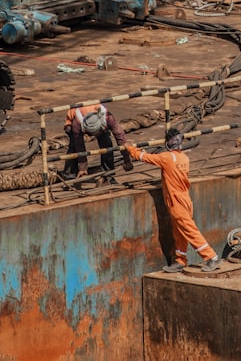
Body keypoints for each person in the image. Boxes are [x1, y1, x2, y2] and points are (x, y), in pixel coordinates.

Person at [125, 128, 221, 273]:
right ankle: (180, 260)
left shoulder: (166, 158)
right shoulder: (184, 158)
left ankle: (210, 257)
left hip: (176, 201)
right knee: (179, 232)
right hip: (185, 199)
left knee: (188, 230)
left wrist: (130, 148)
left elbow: (144, 157)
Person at [64, 103, 132, 184]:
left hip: (100, 124)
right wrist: (83, 167)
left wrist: (127, 160)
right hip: (76, 120)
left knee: (107, 145)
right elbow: (80, 146)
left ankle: (108, 175)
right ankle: (69, 177)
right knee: (74, 147)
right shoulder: (77, 124)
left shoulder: (108, 118)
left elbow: (121, 139)